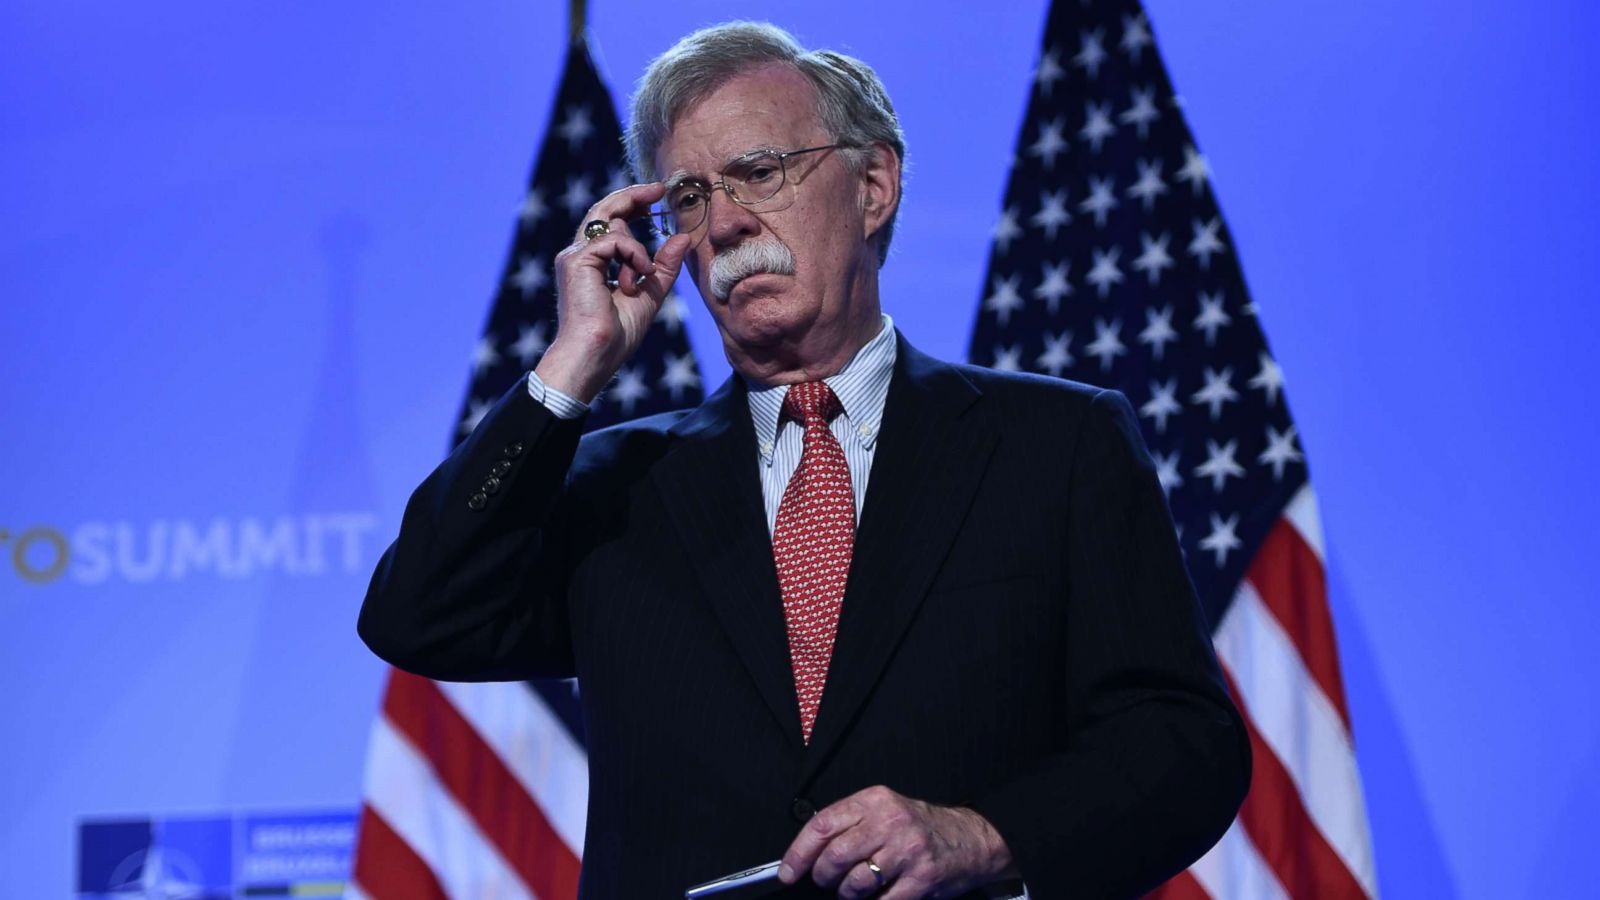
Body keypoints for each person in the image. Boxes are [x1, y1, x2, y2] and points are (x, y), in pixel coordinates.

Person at [358, 22, 1249, 899]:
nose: (728, 222)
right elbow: (416, 615)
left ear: (874, 186)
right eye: (692, 197)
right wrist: (571, 366)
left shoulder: (1057, 446)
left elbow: (1181, 745)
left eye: (759, 172)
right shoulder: (614, 488)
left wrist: (981, 835)